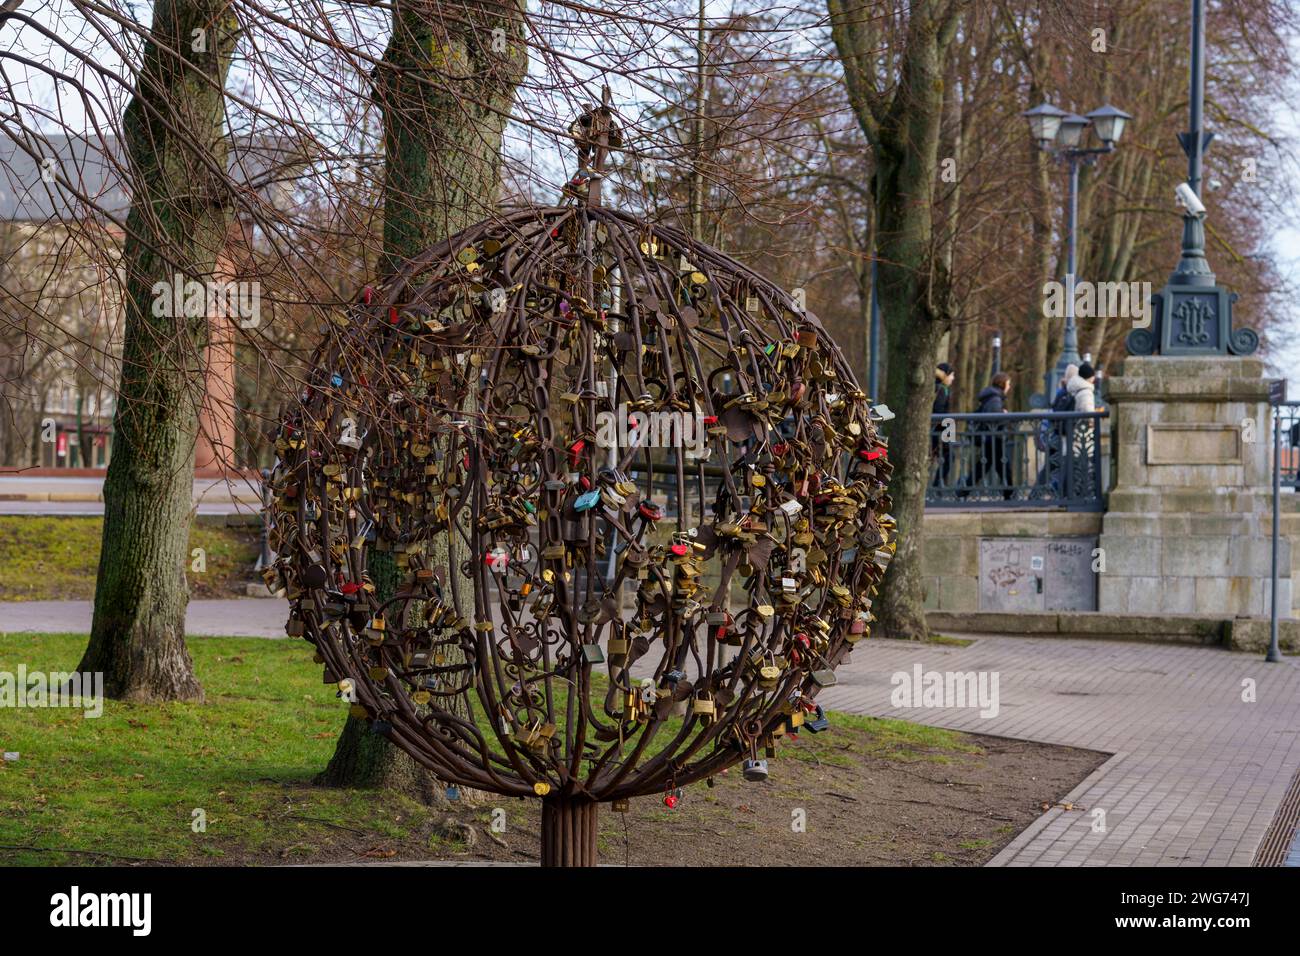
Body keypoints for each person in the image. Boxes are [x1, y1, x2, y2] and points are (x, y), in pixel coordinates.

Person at [968, 371, 1014, 499]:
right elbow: (994, 418)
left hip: (990, 438)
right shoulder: (995, 398)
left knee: (984, 466)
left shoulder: (991, 396)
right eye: (1008, 384)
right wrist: (1005, 415)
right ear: (1003, 384)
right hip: (994, 437)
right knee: (1003, 466)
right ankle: (1010, 494)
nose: (1009, 387)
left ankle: (963, 490)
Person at [931, 362, 955, 488]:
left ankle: (936, 486)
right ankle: (936, 487)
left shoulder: (939, 388)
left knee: (947, 457)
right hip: (938, 432)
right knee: (950, 457)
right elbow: (940, 412)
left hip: (938, 431)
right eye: (951, 375)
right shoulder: (941, 390)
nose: (953, 378)